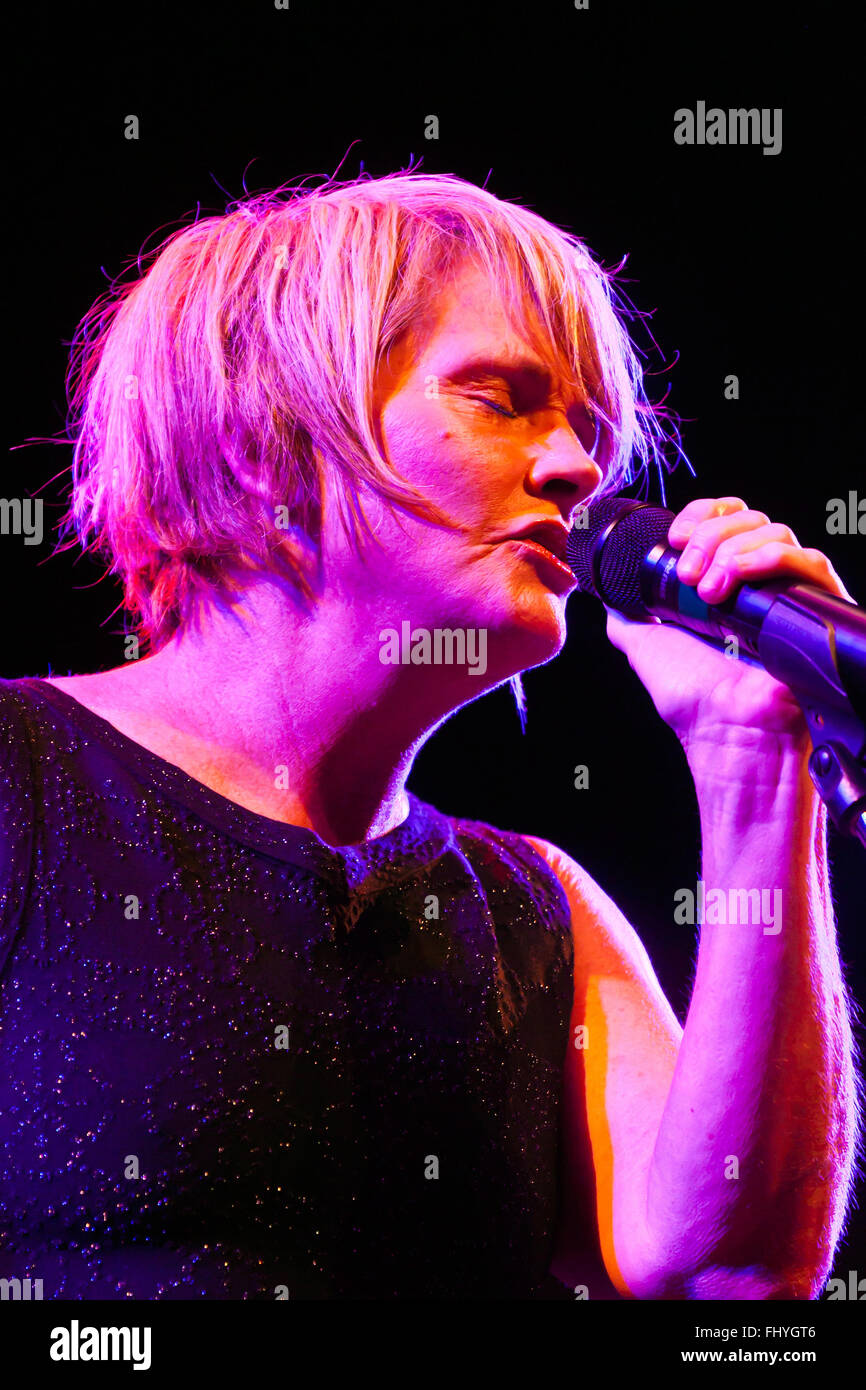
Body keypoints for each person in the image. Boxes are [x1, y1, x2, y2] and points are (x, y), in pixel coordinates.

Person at [0, 172, 859, 1300]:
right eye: (500, 399)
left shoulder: (533, 912)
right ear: (266, 446)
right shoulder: (22, 782)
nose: (578, 468)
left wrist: (752, 760)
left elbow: (737, 1285)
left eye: (587, 428)